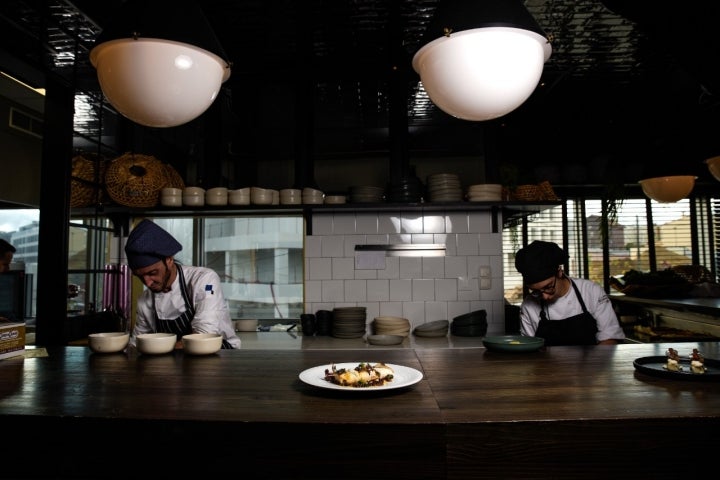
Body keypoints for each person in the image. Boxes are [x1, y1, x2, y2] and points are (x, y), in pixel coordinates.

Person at [124, 219, 240, 349]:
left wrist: (158, 348)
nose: (147, 282)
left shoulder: (207, 282)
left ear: (169, 260)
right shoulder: (145, 300)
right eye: (140, 276)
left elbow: (204, 334)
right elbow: (138, 342)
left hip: (221, 354)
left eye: (152, 273)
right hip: (174, 362)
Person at [515, 240, 625, 346]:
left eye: (548, 287)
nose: (544, 296)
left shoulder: (590, 291)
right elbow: (529, 347)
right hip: (547, 365)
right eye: (536, 291)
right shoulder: (528, 305)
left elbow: (610, 339)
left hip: (592, 363)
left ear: (559, 272)